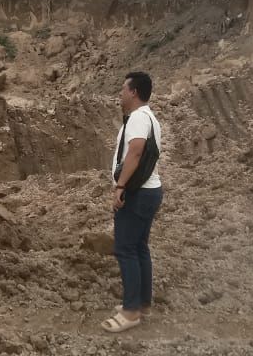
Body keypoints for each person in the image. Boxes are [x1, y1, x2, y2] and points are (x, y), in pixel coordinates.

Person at [102, 71, 164, 334]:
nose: (120, 94)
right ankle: (142, 303)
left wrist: (120, 186)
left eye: (123, 89)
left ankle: (130, 312)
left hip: (137, 193)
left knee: (125, 249)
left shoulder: (138, 118)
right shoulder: (150, 117)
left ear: (134, 92)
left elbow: (136, 151)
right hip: (150, 191)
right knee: (139, 247)